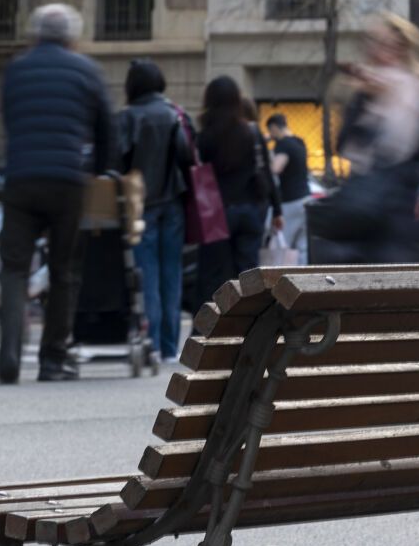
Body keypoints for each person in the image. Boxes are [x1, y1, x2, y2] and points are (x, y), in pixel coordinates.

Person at [0, 3, 116, 384]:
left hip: (21, 180)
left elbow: (9, 120)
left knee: (14, 268)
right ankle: (52, 359)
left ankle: (9, 353)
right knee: (64, 271)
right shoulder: (87, 71)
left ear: (36, 34)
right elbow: (107, 130)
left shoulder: (16, 69)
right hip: (67, 182)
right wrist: (98, 170)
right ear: (71, 37)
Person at [317, 12, 419, 265]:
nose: (384, 51)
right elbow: (342, 145)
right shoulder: (358, 88)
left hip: (404, 210)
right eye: (378, 43)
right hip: (361, 210)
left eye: (393, 45)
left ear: (405, 48)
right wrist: (366, 99)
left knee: (397, 275)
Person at [118, 59, 192, 363]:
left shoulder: (128, 117)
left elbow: (119, 160)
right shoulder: (176, 113)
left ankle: (152, 342)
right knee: (171, 272)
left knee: (145, 273)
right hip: (173, 201)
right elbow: (187, 156)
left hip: (140, 204)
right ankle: (170, 346)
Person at [196, 76, 278, 295]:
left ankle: (217, 316)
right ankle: (249, 316)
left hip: (217, 212)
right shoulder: (251, 133)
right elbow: (266, 172)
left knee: (215, 275)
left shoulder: (205, 137)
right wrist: (277, 209)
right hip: (250, 209)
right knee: (248, 277)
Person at [266, 113, 311, 260]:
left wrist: (268, 155)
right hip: (306, 197)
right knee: (302, 246)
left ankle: (276, 274)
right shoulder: (299, 142)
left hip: (290, 201)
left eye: (270, 131)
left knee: (280, 243)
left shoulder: (283, 144)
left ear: (274, 127)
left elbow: (276, 168)